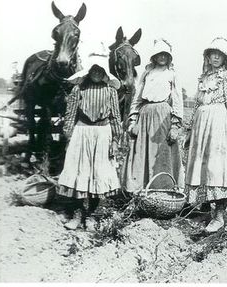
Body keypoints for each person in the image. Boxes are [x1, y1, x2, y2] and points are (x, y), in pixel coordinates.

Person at [58, 47, 122, 230]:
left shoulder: (110, 91)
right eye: (93, 70)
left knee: (98, 173)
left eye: (99, 70)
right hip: (82, 132)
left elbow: (115, 117)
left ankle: (92, 215)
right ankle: (77, 213)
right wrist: (68, 136)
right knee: (80, 171)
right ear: (88, 71)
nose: (96, 73)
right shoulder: (79, 88)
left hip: (103, 134)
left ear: (104, 73)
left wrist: (116, 141)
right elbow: (70, 114)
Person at [184, 37, 227, 233]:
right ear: (207, 56)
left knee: (217, 168)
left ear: (225, 58)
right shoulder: (203, 78)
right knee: (201, 166)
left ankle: (220, 215)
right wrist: (190, 130)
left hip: (218, 125)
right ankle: (204, 208)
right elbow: (198, 105)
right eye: (212, 54)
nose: (215, 57)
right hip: (201, 124)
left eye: (219, 54)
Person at [122, 39, 184, 193]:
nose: (162, 57)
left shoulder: (172, 74)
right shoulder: (147, 73)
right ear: (154, 57)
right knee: (141, 152)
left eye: (165, 54)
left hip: (163, 115)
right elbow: (137, 98)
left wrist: (175, 125)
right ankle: (139, 190)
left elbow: (177, 99)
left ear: (168, 57)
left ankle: (164, 189)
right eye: (159, 54)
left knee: (162, 152)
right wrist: (133, 120)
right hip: (145, 115)